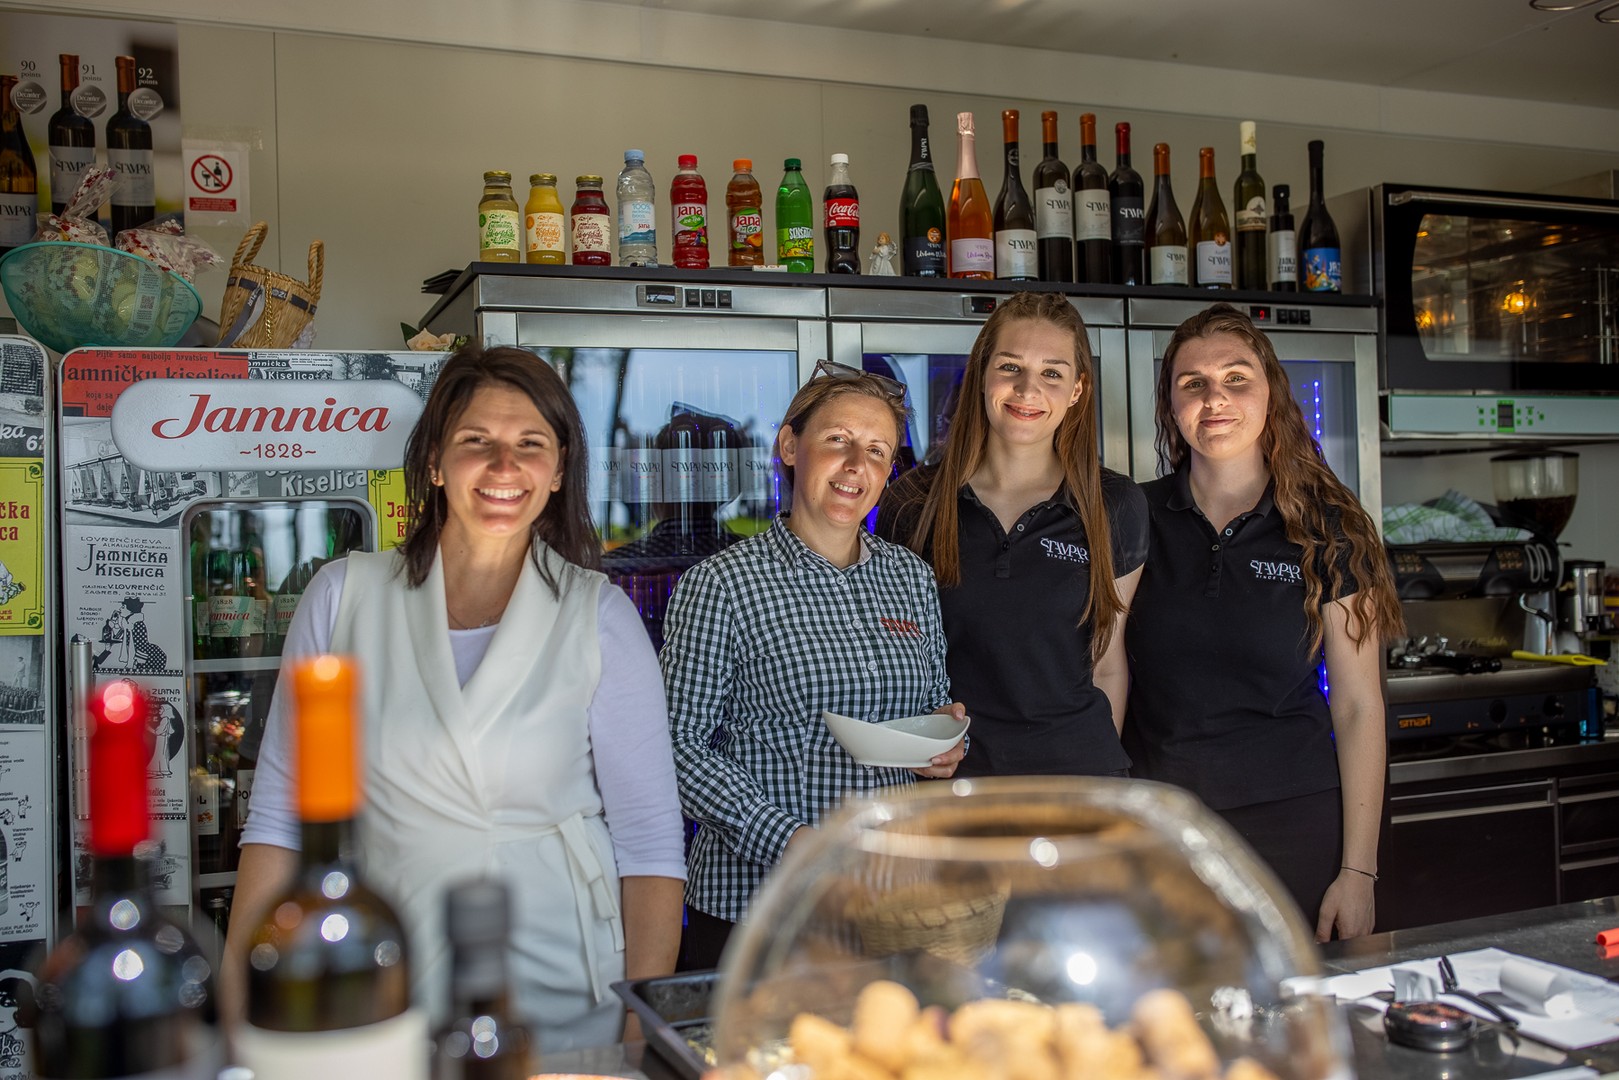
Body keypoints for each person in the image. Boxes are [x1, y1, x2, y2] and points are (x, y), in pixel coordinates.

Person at [226, 345, 686, 1049]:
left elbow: (649, 845)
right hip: (386, 971)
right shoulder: (344, 598)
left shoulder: (598, 615)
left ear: (558, 470)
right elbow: (281, 823)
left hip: (563, 984)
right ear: (436, 462)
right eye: (477, 442)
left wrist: (638, 1027)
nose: (505, 467)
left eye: (530, 445)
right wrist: (242, 1010)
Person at [662, 360, 966, 971]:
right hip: (759, 904)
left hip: (884, 894)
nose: (858, 465)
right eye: (838, 441)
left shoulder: (909, 577)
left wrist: (943, 739)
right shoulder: (723, 585)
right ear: (789, 445)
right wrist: (794, 841)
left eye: (878, 451)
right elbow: (675, 748)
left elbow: (933, 699)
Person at [1123, 302, 1401, 941]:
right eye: (1192, 384)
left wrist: (1359, 871)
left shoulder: (1327, 526)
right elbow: (1101, 665)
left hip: (1293, 826)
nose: (1214, 398)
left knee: (1295, 1024)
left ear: (1270, 392)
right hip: (1162, 825)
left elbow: (1359, 707)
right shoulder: (1134, 513)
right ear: (1171, 406)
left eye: (1236, 378)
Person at [876, 291, 1147, 778]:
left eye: (1052, 373)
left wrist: (1102, 786)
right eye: (1010, 367)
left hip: (1079, 786)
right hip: (954, 786)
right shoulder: (914, 502)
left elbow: (1107, 664)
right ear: (982, 374)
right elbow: (895, 661)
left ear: (1078, 390)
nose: (1027, 389)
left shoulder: (1115, 503)